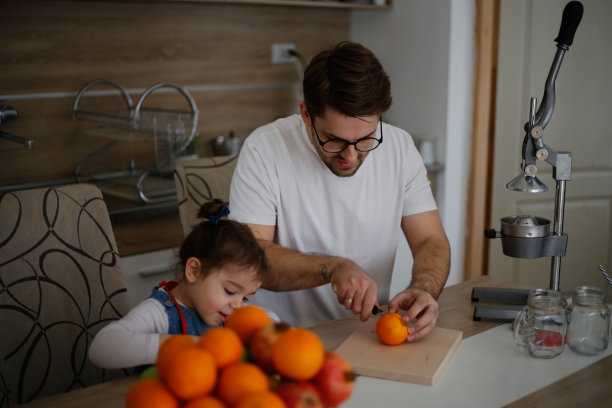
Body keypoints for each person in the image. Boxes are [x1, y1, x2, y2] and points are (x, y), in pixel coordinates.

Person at [229, 41, 450, 341]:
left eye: (366, 139)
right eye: (333, 140)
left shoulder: (399, 147)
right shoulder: (264, 149)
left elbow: (429, 239)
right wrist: (333, 268)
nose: (351, 155)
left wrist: (424, 289)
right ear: (306, 114)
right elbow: (250, 257)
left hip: (368, 334)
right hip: (281, 338)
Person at [88, 199, 270, 369]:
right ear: (194, 271)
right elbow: (103, 347)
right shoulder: (161, 313)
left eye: (245, 298)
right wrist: (197, 345)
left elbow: (268, 319)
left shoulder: (229, 311)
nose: (238, 306)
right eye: (230, 291)